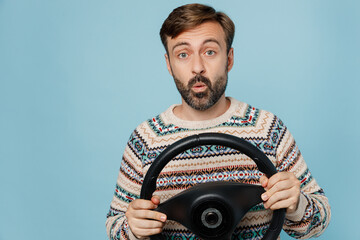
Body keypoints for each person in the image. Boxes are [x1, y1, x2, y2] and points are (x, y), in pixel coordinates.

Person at [106, 3, 331, 240]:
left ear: (229, 59)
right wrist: (133, 228)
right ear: (169, 64)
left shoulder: (267, 127)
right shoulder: (145, 138)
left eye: (209, 52)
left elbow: (318, 221)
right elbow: (115, 225)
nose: (197, 67)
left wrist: (296, 204)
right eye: (183, 54)